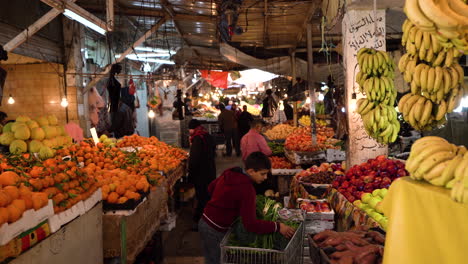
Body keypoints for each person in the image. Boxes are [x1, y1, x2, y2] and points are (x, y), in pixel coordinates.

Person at [198, 152, 295, 264]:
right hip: (215, 229)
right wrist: (278, 226)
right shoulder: (247, 189)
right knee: (216, 260)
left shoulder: (231, 172)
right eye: (262, 174)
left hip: (204, 221)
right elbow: (250, 224)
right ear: (251, 171)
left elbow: (210, 188)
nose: (265, 177)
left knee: (211, 258)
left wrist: (226, 202)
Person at [188, 119, 216, 228]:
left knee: (202, 197)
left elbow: (194, 160)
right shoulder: (207, 135)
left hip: (201, 173)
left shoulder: (197, 139)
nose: (189, 131)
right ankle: (202, 219)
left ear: (193, 128)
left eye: (190, 129)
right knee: (207, 195)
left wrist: (190, 176)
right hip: (210, 170)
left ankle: (202, 222)